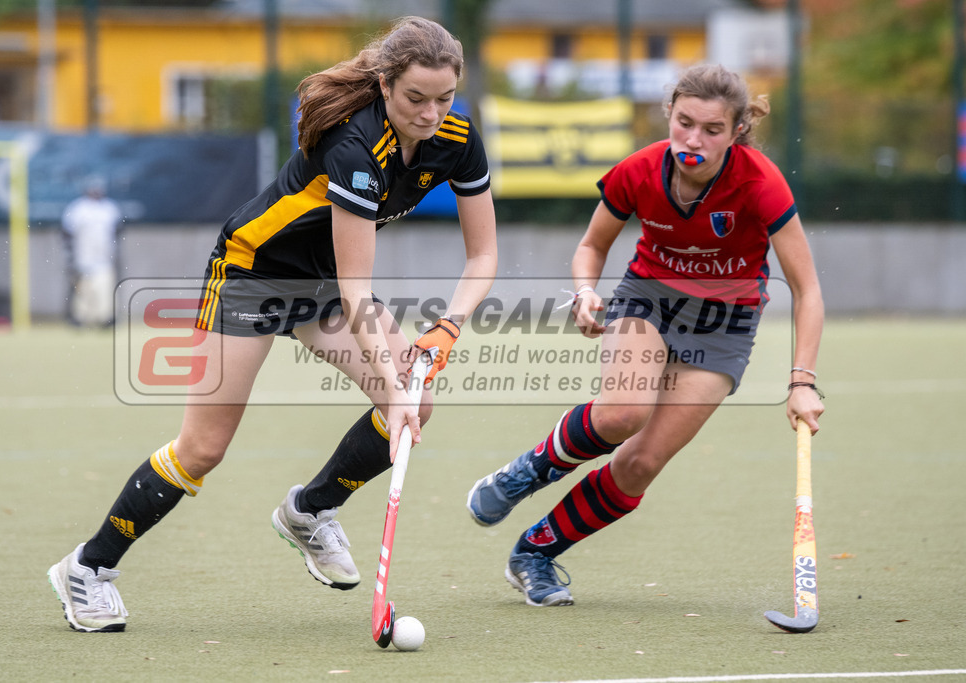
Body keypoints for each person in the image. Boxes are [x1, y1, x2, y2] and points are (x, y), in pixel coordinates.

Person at [48, 16, 497, 632]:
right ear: (386, 84)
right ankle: (88, 569)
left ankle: (309, 511)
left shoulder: (456, 136)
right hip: (253, 274)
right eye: (415, 98)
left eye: (444, 98)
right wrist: (392, 387)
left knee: (416, 407)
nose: (429, 113)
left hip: (324, 282)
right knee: (202, 449)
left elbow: (483, 255)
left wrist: (447, 328)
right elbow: (356, 286)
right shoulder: (354, 147)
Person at [466, 63, 824, 607]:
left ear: (736, 133)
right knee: (621, 414)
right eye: (684, 123)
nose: (693, 140)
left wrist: (802, 381)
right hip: (648, 300)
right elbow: (591, 247)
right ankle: (526, 473)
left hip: (725, 326)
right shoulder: (638, 171)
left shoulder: (760, 183)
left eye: (712, 130)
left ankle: (535, 553)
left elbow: (807, 288)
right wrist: (585, 292)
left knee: (639, 464)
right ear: (669, 114)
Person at [61, 175, 123, 327]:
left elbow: (118, 229)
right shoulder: (78, 208)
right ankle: (80, 318)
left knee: (104, 287)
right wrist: (70, 253)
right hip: (83, 256)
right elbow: (67, 231)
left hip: (104, 256)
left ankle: (106, 318)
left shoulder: (109, 208)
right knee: (83, 288)